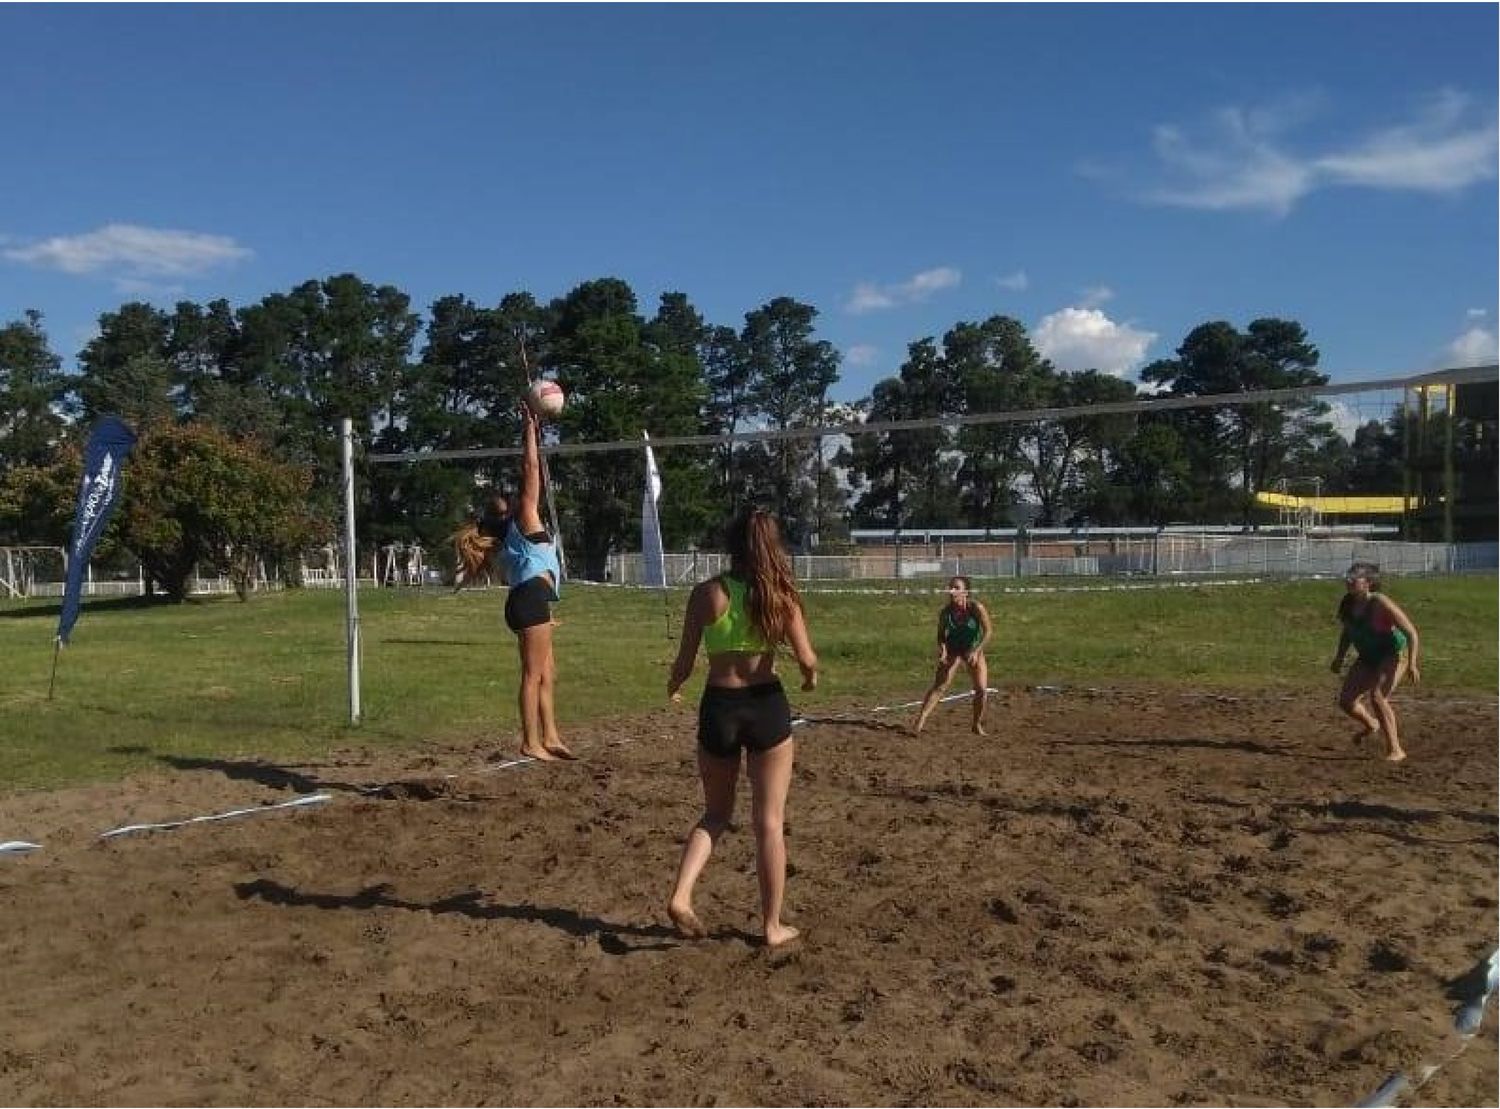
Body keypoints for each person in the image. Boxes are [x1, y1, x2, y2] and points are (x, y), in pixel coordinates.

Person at [665, 508, 818, 949]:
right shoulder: (780, 597)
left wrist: (674, 685)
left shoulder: (707, 594)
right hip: (766, 704)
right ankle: (772, 926)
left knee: (715, 813)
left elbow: (684, 661)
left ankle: (681, 894)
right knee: (769, 823)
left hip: (719, 706)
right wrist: (809, 678)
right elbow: (807, 659)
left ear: (730, 546)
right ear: (773, 548)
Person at [453, 406, 573, 762]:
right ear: (510, 513)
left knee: (548, 673)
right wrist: (530, 431)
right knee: (533, 675)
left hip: (531, 602)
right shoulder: (525, 519)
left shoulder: (507, 541)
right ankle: (530, 741)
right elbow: (531, 469)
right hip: (531, 602)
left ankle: (550, 736)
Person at [1331, 561, 1421, 762]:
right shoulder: (1347, 604)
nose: (1350, 580)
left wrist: (1413, 663)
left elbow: (1411, 632)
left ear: (1368, 582)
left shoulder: (1380, 602)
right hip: (1368, 656)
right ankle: (1372, 724)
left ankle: (1396, 750)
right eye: (1349, 576)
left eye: (1356, 577)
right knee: (1346, 701)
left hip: (1393, 654)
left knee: (1378, 696)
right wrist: (1339, 657)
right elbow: (1347, 632)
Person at [912, 575, 993, 736]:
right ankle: (920, 721)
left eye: (956, 588)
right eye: (951, 587)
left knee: (981, 689)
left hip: (972, 649)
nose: (952, 591)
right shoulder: (945, 613)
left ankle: (976, 724)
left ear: (966, 592)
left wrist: (976, 651)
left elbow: (988, 632)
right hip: (953, 648)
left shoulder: (976, 608)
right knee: (940, 686)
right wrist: (943, 650)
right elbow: (941, 635)